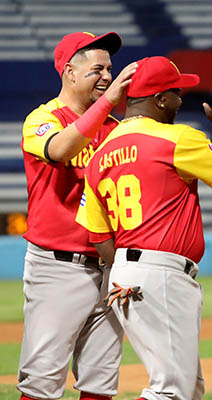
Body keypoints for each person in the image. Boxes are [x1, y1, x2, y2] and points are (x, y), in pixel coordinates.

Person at [75, 56, 212, 400]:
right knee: (170, 390)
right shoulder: (174, 138)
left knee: (187, 387)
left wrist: (127, 271)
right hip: (161, 273)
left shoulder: (99, 154)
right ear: (157, 100)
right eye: (174, 92)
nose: (180, 99)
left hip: (125, 271)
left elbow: (98, 235)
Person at [19, 31, 137, 400]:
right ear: (70, 71)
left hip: (109, 268)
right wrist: (108, 105)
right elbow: (58, 150)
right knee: (41, 381)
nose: (107, 77)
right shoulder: (42, 119)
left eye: (110, 69)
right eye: (98, 69)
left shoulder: (117, 130)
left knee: (100, 382)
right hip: (57, 266)